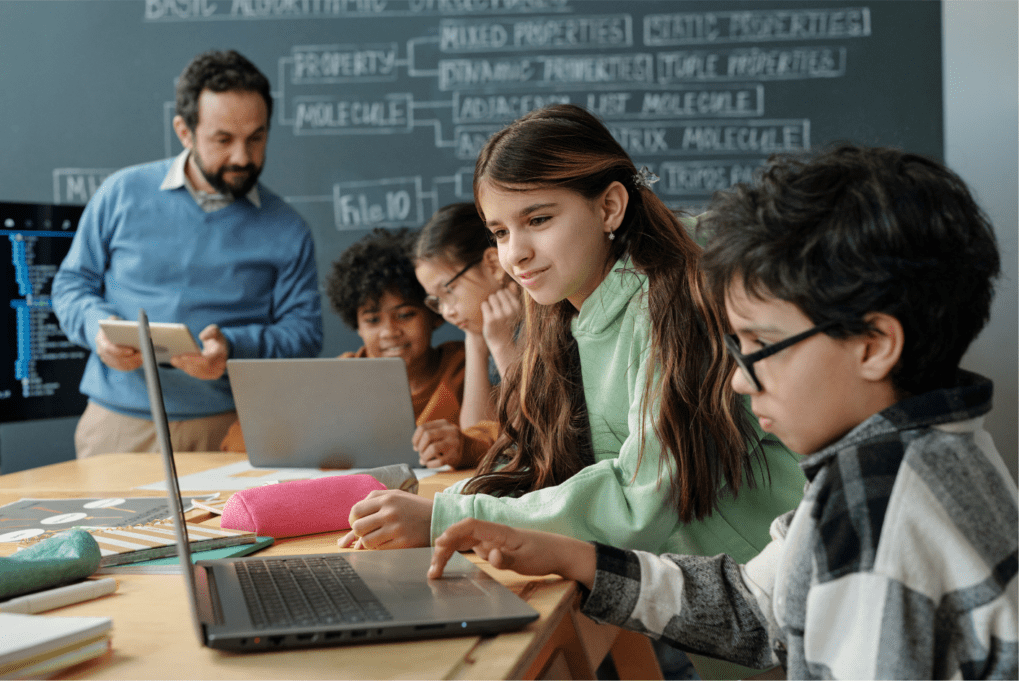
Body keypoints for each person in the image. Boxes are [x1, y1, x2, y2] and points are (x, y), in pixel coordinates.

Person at [428, 144, 1017, 680]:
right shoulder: (912, 456)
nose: (737, 377)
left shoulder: (878, 511)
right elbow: (759, 606)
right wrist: (575, 555)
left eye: (762, 346)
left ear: (873, 344)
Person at [339, 103, 807, 677]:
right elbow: (555, 461)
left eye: (538, 220)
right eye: (500, 232)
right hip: (692, 609)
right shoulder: (570, 307)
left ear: (609, 206)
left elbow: (641, 495)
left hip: (771, 614)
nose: (515, 253)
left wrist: (446, 515)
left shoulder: (669, 300)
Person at [51, 49, 323, 459]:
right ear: (184, 131)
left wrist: (233, 345)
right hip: (117, 425)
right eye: (223, 139)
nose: (243, 158)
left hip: (232, 426)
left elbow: (304, 333)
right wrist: (97, 330)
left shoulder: (288, 228)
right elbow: (72, 283)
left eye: (257, 137)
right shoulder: (121, 193)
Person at [221, 227, 497, 468]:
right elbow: (240, 439)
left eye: (405, 314)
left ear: (434, 313)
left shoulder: (466, 366)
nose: (390, 332)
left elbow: (498, 442)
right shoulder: (338, 376)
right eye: (373, 320)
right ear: (357, 326)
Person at [412, 202, 522, 467]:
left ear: (494, 265)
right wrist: (475, 341)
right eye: (436, 300)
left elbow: (532, 434)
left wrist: (504, 346)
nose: (446, 312)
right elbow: (477, 432)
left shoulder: (545, 320)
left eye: (448, 290)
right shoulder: (487, 328)